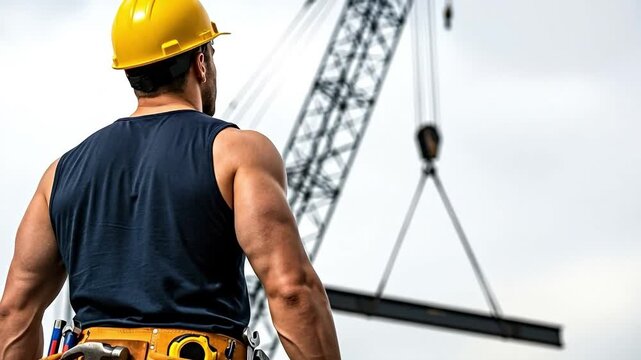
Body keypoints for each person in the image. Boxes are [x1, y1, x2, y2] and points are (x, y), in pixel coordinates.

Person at [0, 0, 341, 359]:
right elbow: (292, 291)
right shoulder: (236, 152)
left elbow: (14, 311)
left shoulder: (60, 173)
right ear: (200, 63)